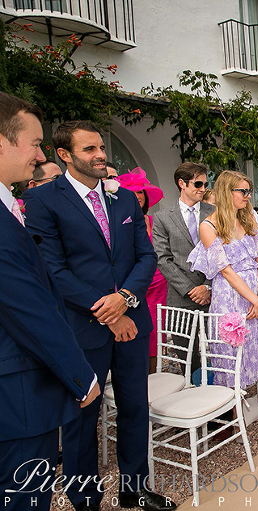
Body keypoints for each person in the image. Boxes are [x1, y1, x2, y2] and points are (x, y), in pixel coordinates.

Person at [23, 121, 173, 510]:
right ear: (64, 154)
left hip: (132, 322)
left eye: (101, 147)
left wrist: (125, 298)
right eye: (89, 149)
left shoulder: (124, 199)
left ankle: (134, 489)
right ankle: (85, 499)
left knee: (135, 408)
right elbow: (52, 269)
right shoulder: (42, 200)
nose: (100, 155)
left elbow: (146, 256)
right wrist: (109, 311)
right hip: (83, 328)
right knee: (82, 418)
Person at [0, 92, 98, 511]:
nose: (40, 156)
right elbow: (27, 307)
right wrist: (82, 376)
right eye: (35, 143)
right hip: (17, 396)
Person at [188, 171, 258, 442]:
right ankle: (237, 422)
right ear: (226, 192)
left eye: (248, 191)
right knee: (233, 359)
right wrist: (254, 300)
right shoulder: (208, 226)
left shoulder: (249, 220)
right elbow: (226, 271)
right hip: (230, 297)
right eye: (242, 191)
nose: (247, 196)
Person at [153, 162, 215, 375]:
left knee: (219, 346)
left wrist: (207, 286)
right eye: (198, 184)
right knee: (186, 353)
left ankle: (220, 388)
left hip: (213, 291)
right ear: (182, 183)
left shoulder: (214, 212)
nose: (203, 189)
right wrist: (190, 289)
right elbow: (163, 259)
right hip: (180, 295)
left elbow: (223, 252)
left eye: (205, 184)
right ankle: (194, 386)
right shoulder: (162, 217)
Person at [116, 168, 167, 374]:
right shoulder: (118, 222)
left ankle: (154, 375)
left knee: (157, 332)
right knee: (135, 332)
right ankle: (136, 375)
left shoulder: (155, 221)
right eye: (132, 192)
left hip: (159, 284)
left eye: (140, 192)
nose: (137, 196)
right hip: (133, 285)